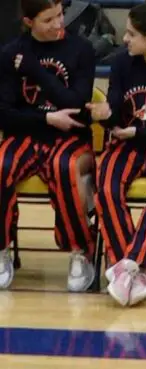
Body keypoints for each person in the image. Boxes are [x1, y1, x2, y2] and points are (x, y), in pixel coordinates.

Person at [0, 0, 98, 291]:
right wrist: (48, 119)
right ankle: (1, 248)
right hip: (27, 133)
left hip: (71, 137)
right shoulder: (9, 53)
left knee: (64, 167)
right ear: (29, 22)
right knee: (0, 165)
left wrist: (35, 71)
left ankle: (79, 251)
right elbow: (5, 115)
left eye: (59, 15)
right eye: (48, 20)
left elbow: (77, 104)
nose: (58, 24)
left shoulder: (82, 50)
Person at [89, 3, 146, 307]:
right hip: (125, 144)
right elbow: (115, 109)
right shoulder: (122, 63)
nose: (125, 39)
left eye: (131, 33)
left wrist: (140, 133)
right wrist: (106, 114)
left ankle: (130, 266)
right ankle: (133, 269)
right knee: (105, 188)